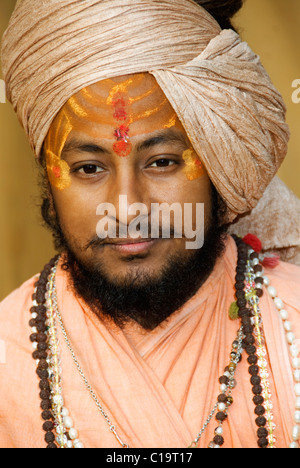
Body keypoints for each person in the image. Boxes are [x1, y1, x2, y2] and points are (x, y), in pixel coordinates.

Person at [0, 0, 300, 449]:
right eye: (87, 169)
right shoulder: (8, 354)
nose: (127, 207)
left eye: (161, 162)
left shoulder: (292, 326)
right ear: (49, 179)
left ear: (219, 161)